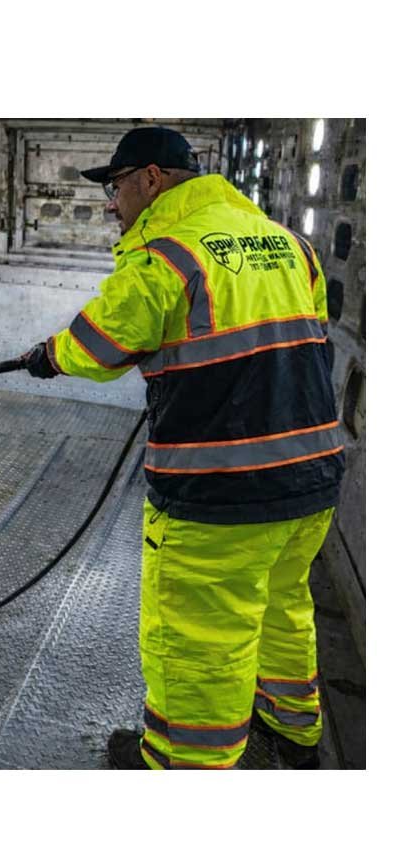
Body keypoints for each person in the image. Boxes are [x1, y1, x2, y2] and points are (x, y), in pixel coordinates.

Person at [22, 125, 344, 769]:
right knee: (282, 606)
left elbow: (103, 346)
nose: (111, 203)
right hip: (311, 478)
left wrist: (48, 356)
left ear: (151, 178)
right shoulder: (289, 245)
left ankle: (182, 763)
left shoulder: (166, 255)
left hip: (221, 491)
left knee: (199, 639)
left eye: (115, 187)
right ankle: (295, 731)